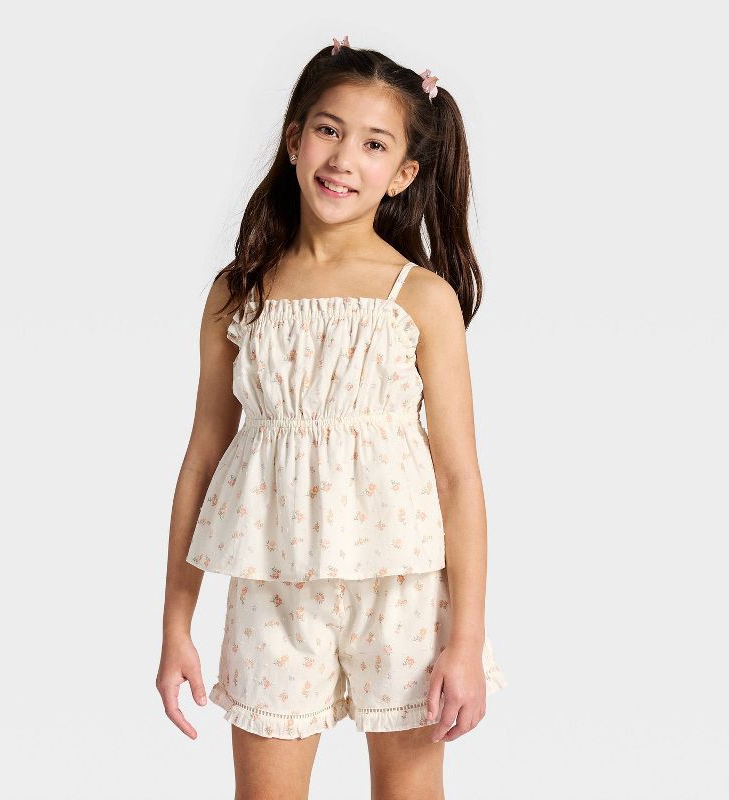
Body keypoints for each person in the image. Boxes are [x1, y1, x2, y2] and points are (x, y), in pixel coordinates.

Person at [157, 35, 508, 798]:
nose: (344, 158)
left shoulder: (421, 297)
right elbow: (202, 456)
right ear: (294, 140)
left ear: (404, 173)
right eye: (328, 129)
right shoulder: (238, 291)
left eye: (374, 144)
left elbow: (458, 476)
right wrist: (175, 623)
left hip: (402, 586)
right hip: (273, 585)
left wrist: (467, 640)